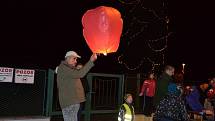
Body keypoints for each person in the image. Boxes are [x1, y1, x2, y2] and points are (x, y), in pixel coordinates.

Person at [57, 51, 98, 121]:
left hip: (72, 102)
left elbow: (79, 72)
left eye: (76, 59)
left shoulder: (67, 68)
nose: (76, 61)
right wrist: (91, 61)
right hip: (70, 103)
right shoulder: (64, 68)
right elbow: (80, 73)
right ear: (68, 58)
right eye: (74, 59)